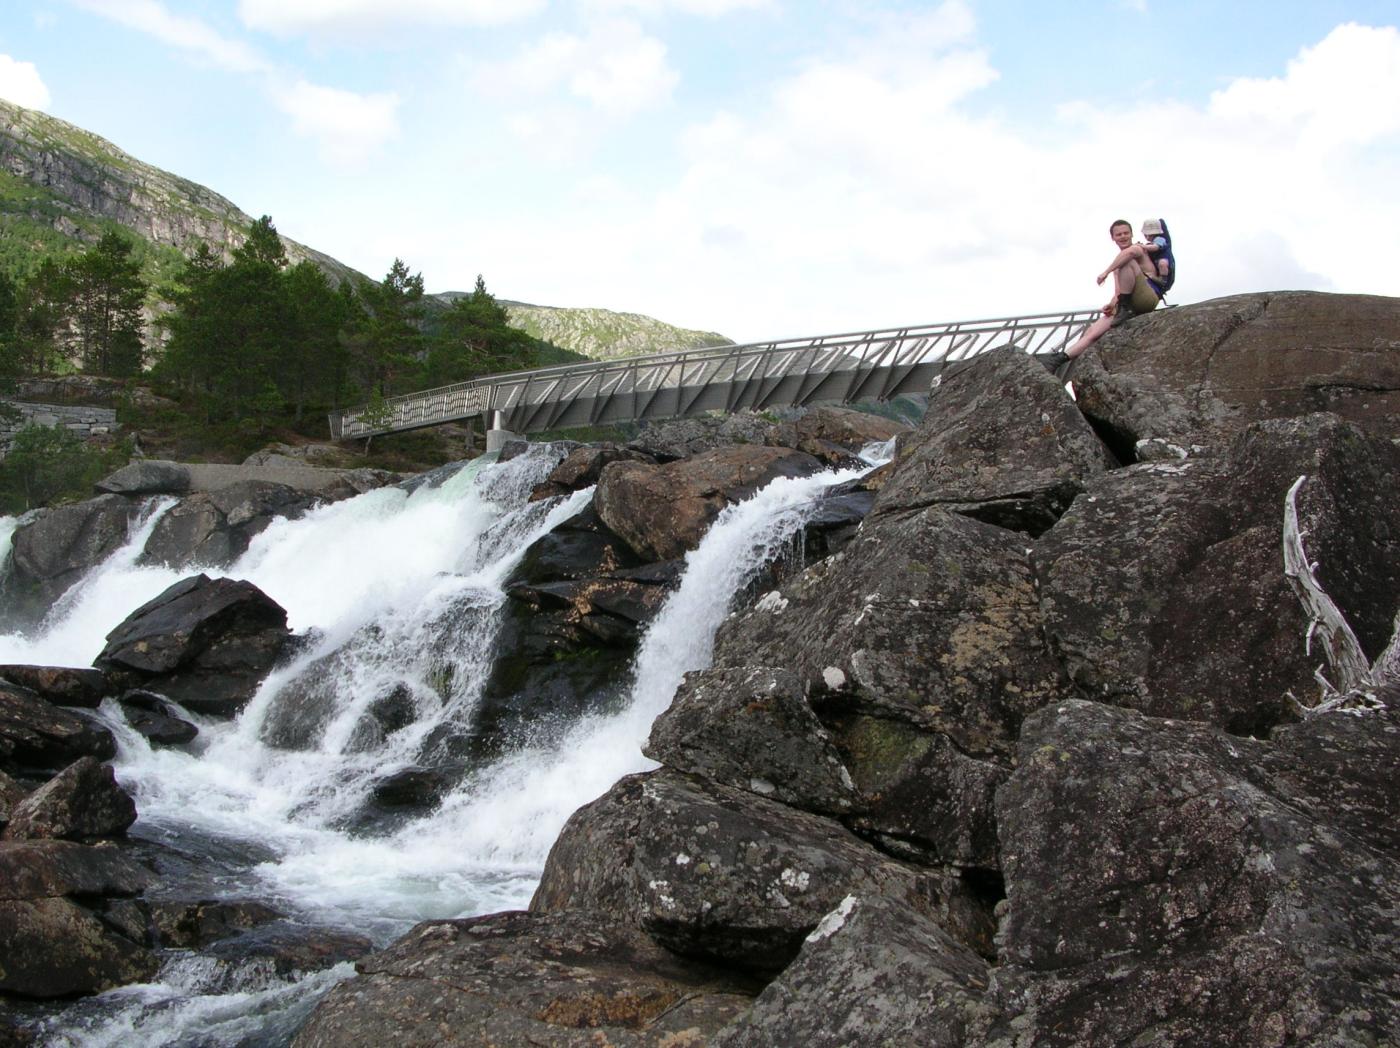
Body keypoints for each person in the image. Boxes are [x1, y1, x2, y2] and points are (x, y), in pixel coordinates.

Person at [1045, 219, 1162, 368]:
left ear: (1132, 234)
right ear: (1113, 238)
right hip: (1128, 302)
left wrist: (1106, 272)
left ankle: (1124, 309)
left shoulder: (1138, 249)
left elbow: (1131, 253)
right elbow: (1119, 292)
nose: (1123, 236)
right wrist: (1111, 305)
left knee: (1127, 262)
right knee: (1092, 331)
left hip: (1147, 297)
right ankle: (1058, 360)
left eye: (1126, 233)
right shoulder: (1119, 264)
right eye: (1118, 234)